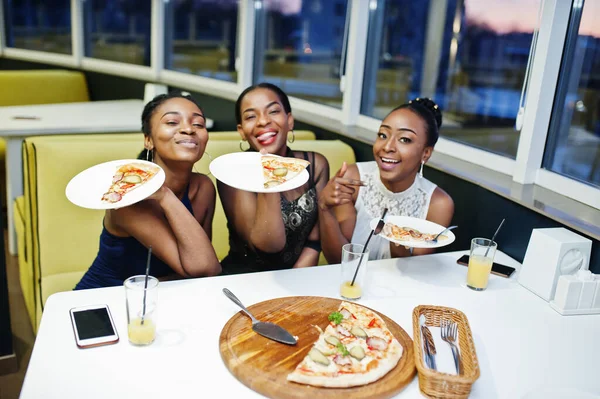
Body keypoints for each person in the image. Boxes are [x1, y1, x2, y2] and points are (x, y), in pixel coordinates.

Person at [75, 92, 221, 289]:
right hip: (107, 299)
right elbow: (204, 268)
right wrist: (165, 196)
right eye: (172, 122)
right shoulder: (128, 198)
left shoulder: (203, 188)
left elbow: (202, 269)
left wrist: (164, 196)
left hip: (164, 295)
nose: (188, 129)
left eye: (198, 124)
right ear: (148, 140)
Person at [318, 97, 454, 263]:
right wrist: (324, 208)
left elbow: (413, 272)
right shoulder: (353, 179)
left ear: (426, 153)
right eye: (383, 135)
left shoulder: (438, 204)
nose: (387, 147)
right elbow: (337, 260)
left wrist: (398, 239)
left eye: (404, 139)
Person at [218, 83, 330, 274]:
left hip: (299, 277)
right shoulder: (232, 174)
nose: (263, 121)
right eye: (251, 116)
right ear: (242, 131)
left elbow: (314, 241)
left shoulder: (315, 165)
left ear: (290, 121)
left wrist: (297, 285)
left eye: (273, 111)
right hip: (244, 280)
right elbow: (266, 248)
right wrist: (270, 177)